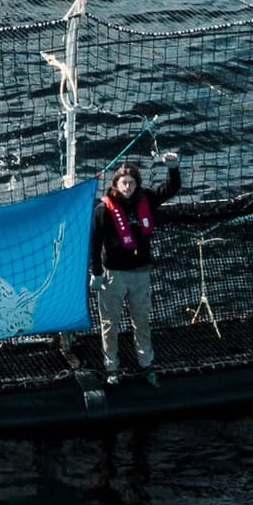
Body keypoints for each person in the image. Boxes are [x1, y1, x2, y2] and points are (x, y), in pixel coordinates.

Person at [89, 156, 180, 385]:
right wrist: (96, 272)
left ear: (137, 183)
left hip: (140, 274)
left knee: (141, 321)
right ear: (116, 184)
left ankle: (146, 364)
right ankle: (111, 367)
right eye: (124, 183)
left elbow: (171, 188)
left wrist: (173, 168)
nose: (128, 187)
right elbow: (95, 243)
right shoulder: (104, 210)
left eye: (131, 182)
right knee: (110, 323)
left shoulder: (146, 199)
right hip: (114, 275)